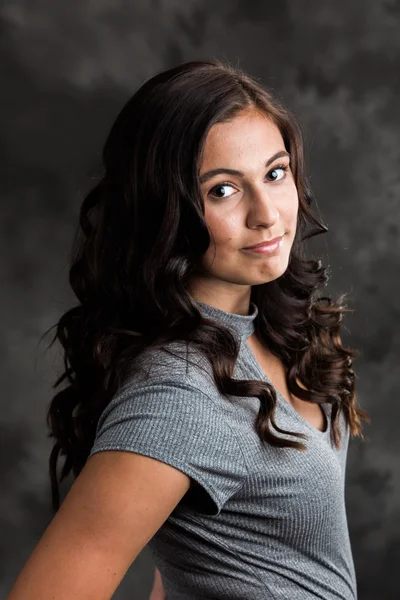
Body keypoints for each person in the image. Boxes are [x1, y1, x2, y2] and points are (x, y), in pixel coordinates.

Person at [6, 59, 370, 600]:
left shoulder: (265, 327)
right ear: (165, 211)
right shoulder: (177, 394)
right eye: (224, 190)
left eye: (275, 173)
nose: (267, 214)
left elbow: (189, 555)